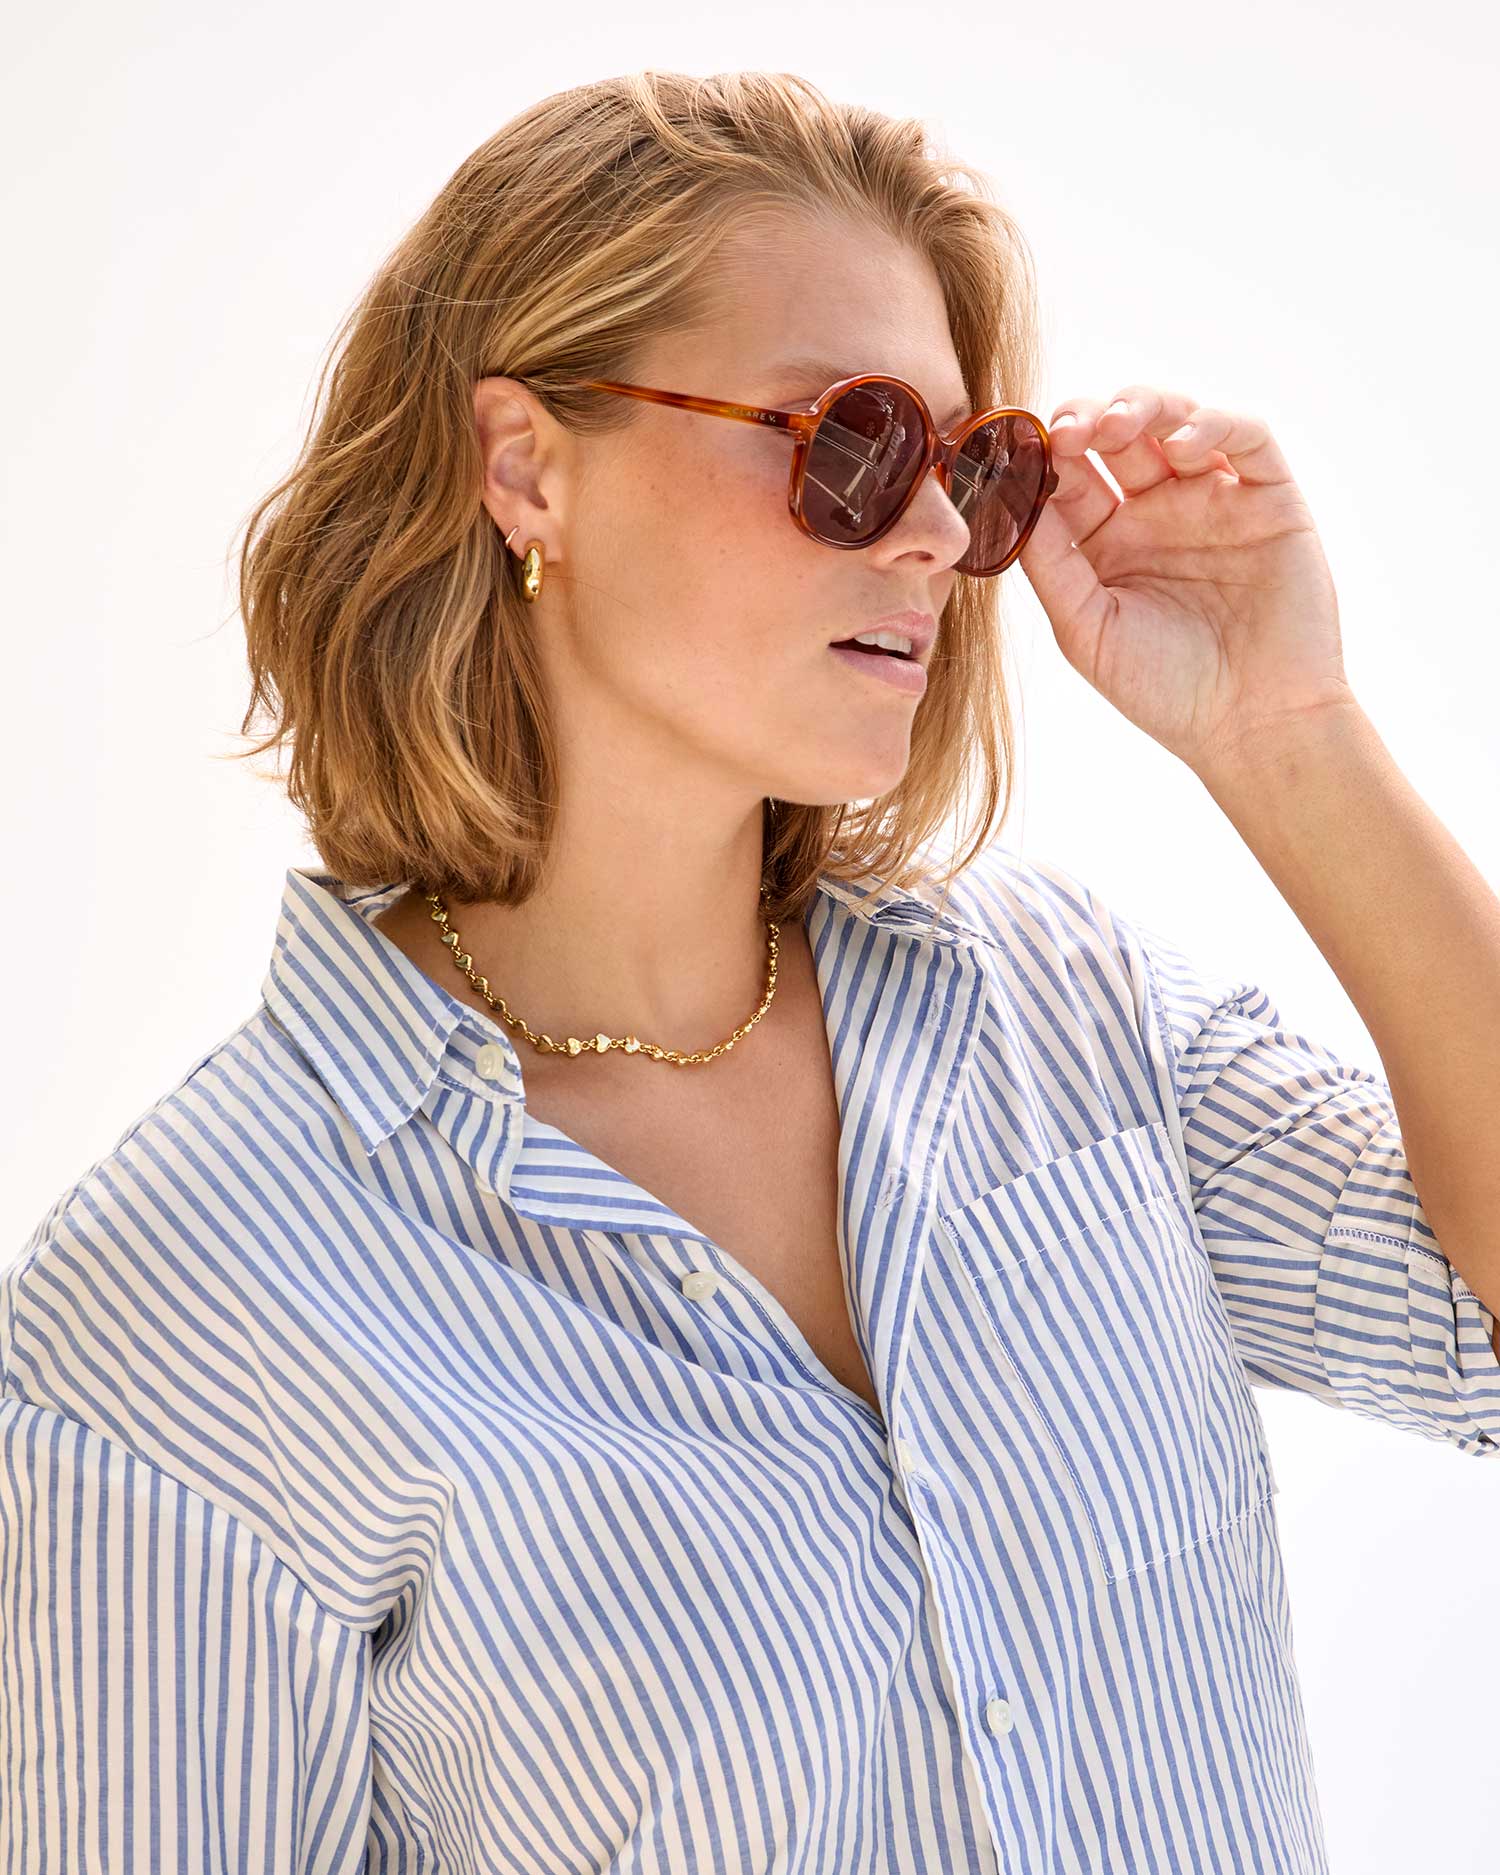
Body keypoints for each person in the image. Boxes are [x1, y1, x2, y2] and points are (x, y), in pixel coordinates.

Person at [4, 67, 1499, 1875]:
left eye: (972, 471)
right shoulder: (181, 1310)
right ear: (526, 465)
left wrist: (1290, 731)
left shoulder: (1065, 1016)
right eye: (850, 440)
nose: (940, 536)